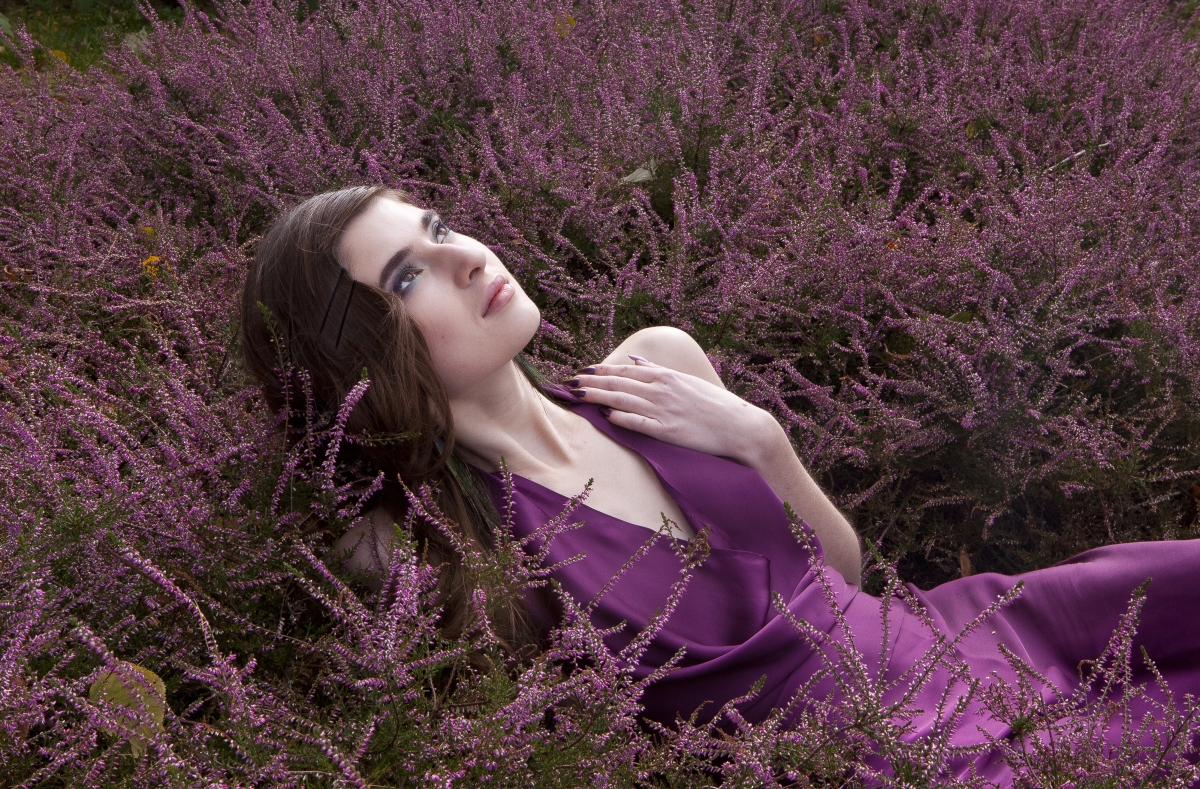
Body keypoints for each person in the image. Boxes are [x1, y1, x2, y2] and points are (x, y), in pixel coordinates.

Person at [241, 185, 1200, 784]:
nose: (464, 255)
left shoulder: (657, 365)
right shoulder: (428, 545)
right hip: (905, 757)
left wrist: (765, 441)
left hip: (965, 637)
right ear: (357, 354)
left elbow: (840, 576)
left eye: (440, 227)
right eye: (409, 278)